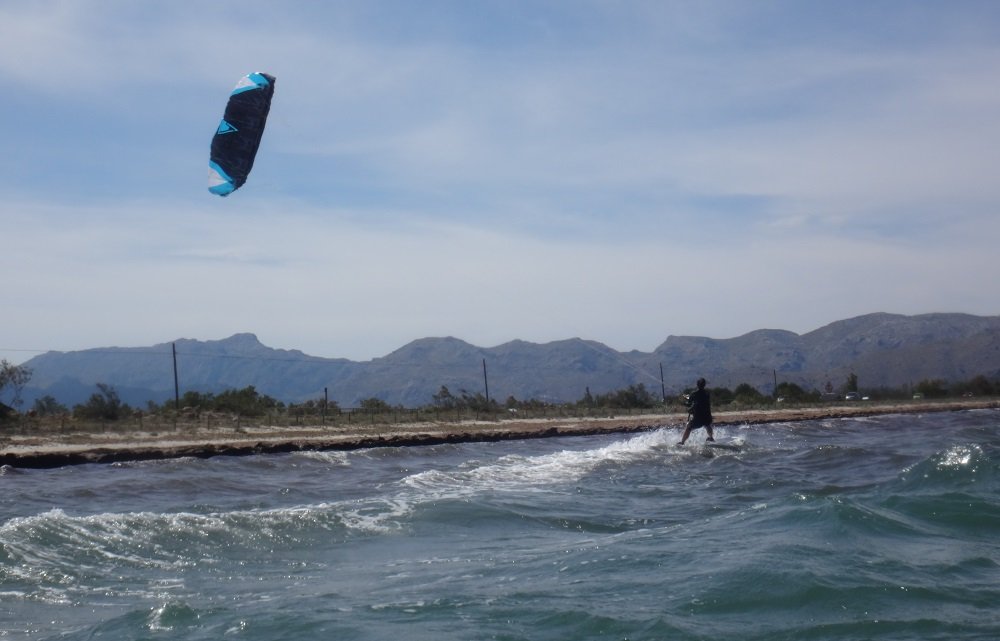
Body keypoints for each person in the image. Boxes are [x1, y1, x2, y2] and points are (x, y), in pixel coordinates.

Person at [679, 377, 714, 445]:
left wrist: (684, 400)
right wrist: (688, 397)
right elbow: (696, 399)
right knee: (707, 425)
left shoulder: (694, 393)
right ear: (704, 385)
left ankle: (682, 442)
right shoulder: (707, 394)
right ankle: (711, 437)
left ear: (697, 384)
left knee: (689, 427)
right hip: (707, 416)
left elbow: (689, 403)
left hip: (698, 418)